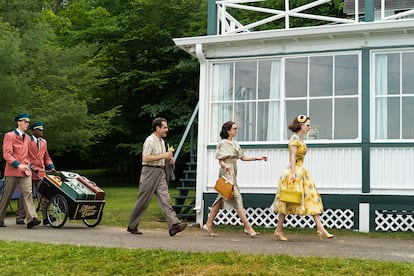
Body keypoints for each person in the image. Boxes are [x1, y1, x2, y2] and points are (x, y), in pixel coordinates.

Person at [273, 114, 334, 241]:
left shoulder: (301, 140)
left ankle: (320, 228)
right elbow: (293, 156)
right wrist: (293, 173)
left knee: (311, 198)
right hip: (294, 172)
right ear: (300, 125)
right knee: (288, 200)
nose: (309, 127)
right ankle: (278, 230)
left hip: (302, 172)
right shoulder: (294, 139)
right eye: (307, 125)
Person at [202, 121, 267, 237]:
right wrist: (225, 166)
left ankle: (208, 224)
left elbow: (243, 157)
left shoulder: (235, 144)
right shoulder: (222, 143)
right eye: (234, 128)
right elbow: (220, 160)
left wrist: (258, 158)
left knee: (221, 198)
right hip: (226, 172)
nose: (236, 130)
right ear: (228, 130)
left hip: (233, 171)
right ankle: (248, 227)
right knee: (237, 197)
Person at [127, 117, 187, 236]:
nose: (167, 130)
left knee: (166, 199)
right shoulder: (150, 140)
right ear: (157, 128)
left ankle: (173, 225)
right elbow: (145, 158)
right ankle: (132, 226)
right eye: (164, 127)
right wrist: (163, 156)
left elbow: (161, 157)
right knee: (142, 201)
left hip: (160, 172)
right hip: (149, 172)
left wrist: (169, 160)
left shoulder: (162, 141)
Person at [0, 113, 41, 229]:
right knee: (6, 196)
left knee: (28, 194)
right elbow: (7, 154)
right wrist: (18, 165)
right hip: (12, 171)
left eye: (28, 122)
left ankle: (32, 219)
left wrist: (31, 166)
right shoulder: (9, 136)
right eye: (25, 122)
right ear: (18, 122)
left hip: (25, 171)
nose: (27, 124)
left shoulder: (28, 138)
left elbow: (27, 155)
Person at [15, 121, 56, 226]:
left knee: (43, 195)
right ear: (33, 131)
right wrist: (30, 166)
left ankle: (46, 217)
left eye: (42, 129)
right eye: (39, 129)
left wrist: (51, 166)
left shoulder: (44, 142)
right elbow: (23, 156)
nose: (41, 131)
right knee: (26, 195)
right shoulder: (27, 140)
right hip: (29, 172)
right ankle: (20, 217)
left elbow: (46, 157)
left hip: (40, 173)